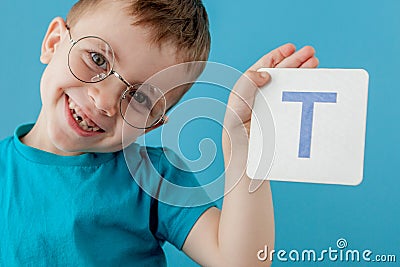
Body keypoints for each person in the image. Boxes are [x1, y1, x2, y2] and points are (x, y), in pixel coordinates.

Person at [0, 0, 318, 266]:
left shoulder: (153, 177)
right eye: (96, 59)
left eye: (140, 97)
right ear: (54, 42)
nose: (105, 101)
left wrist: (243, 140)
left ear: (154, 123)